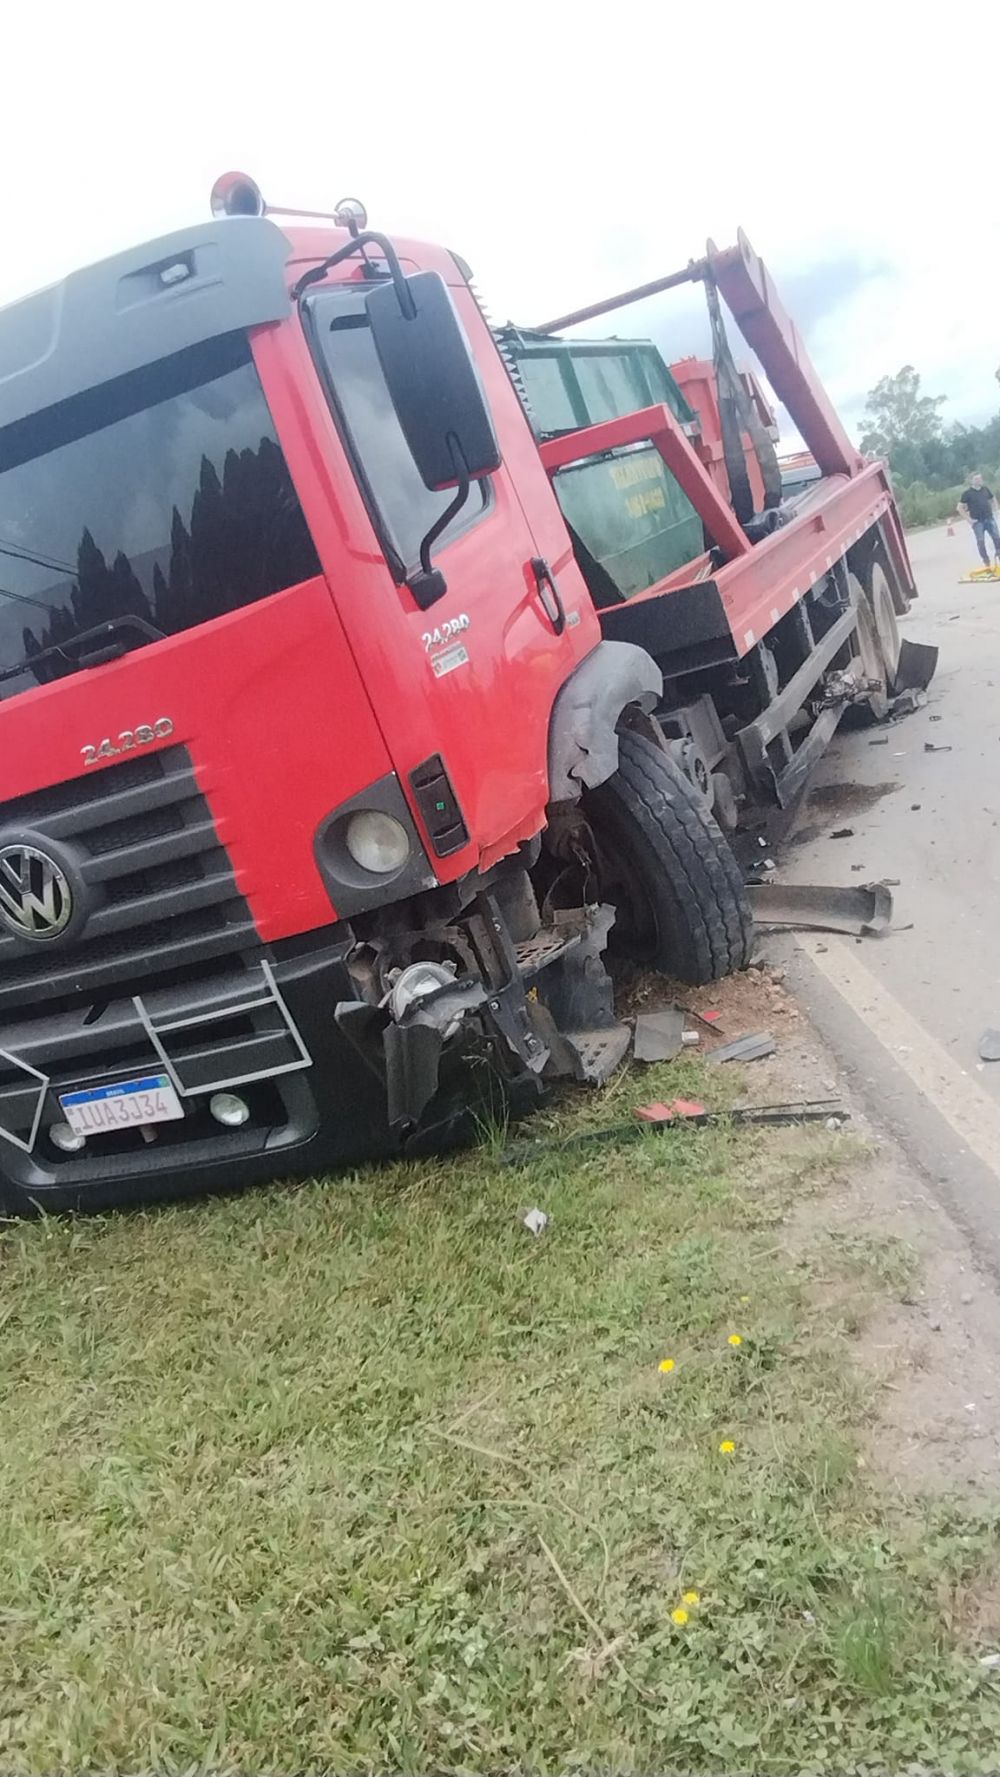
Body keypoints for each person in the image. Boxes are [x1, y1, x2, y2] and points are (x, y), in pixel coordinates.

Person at [959, 473, 1000, 567]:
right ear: (971, 481)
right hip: (977, 522)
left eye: (980, 478)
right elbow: (959, 508)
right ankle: (986, 561)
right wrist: (969, 520)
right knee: (981, 542)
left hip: (989, 518)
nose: (979, 480)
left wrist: (996, 510)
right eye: (976, 479)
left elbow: (993, 498)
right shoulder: (967, 493)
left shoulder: (985, 489)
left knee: (997, 538)